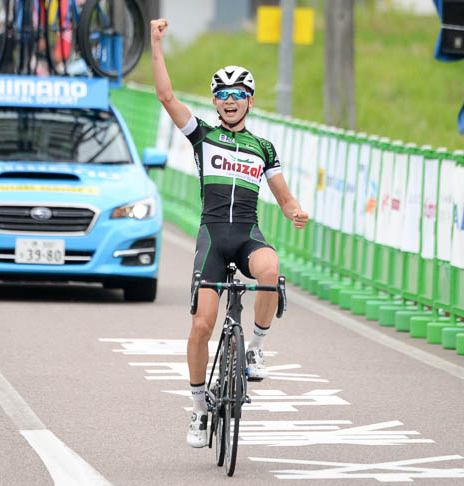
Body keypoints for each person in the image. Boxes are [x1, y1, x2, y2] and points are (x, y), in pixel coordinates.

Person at [150, 18, 309, 448]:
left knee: (271, 269)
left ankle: (255, 347)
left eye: (238, 94)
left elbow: (284, 196)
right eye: (222, 94)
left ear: (250, 101)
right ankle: (200, 409)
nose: (230, 101)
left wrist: (295, 211)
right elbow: (166, 96)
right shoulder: (203, 136)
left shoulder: (263, 148)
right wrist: (156, 43)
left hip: (247, 235)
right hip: (213, 240)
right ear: (215, 102)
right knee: (202, 325)